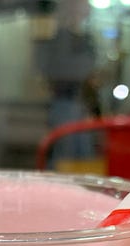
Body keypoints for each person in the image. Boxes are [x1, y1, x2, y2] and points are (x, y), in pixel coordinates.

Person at [41, 0, 98, 167]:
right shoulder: (61, 39)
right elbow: (61, 71)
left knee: (83, 153)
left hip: (79, 104)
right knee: (64, 153)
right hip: (64, 102)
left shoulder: (86, 39)